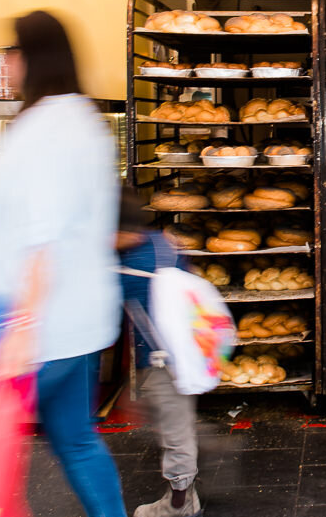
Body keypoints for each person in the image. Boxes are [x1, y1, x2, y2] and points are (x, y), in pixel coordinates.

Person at [0, 10, 126, 517]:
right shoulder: (85, 119)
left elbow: (43, 238)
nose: (8, 64)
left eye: (11, 54)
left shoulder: (40, 131)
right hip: (80, 321)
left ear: (29, 58)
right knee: (77, 441)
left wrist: (19, 328)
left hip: (38, 330)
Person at [114, 187, 202, 517]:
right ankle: (206, 449)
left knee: (174, 428)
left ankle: (181, 502)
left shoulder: (124, 266)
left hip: (165, 361)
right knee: (170, 419)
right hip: (183, 352)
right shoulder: (163, 243)